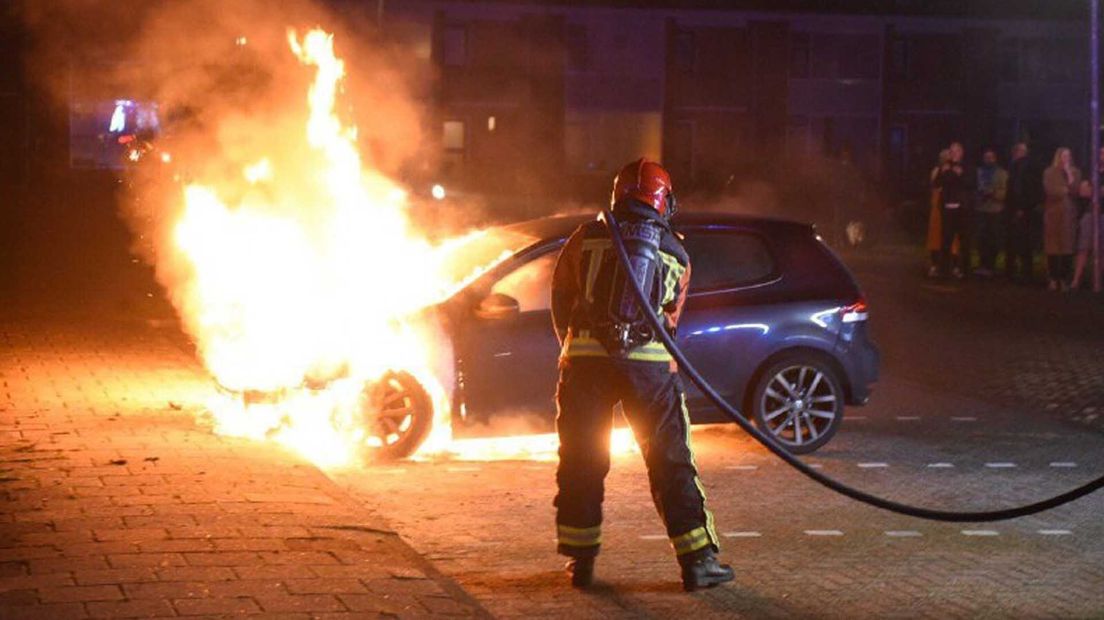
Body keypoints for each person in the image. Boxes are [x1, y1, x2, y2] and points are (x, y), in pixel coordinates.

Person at [550, 158, 732, 591]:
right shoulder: (676, 252)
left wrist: (574, 351)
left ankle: (581, 562)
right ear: (663, 201)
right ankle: (697, 562)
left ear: (618, 197)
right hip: (650, 371)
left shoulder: (585, 239)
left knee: (581, 459)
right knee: (670, 460)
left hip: (586, 366)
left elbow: (561, 300)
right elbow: (672, 322)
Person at [1042, 147, 1080, 291]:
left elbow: (1077, 191)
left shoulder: (1075, 172)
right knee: (1052, 247)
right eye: (1064, 155)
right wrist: (1066, 189)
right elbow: (1050, 190)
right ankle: (1052, 278)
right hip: (1053, 214)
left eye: (1069, 155)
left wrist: (1070, 178)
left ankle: (1064, 278)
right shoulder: (1049, 172)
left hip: (1069, 215)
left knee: (1067, 247)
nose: (1066, 158)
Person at [932, 142, 972, 279]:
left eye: (956, 151)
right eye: (951, 151)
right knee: (946, 241)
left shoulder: (967, 166)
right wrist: (944, 172)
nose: (954, 153)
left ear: (961, 153)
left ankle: (965, 270)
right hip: (947, 208)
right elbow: (936, 183)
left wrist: (960, 174)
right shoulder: (944, 166)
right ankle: (944, 270)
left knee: (964, 241)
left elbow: (971, 183)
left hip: (962, 209)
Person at [1004, 142, 1039, 283]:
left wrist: (1021, 207)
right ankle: (1020, 272)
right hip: (1018, 208)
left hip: (1020, 209)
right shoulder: (1015, 167)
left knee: (1019, 242)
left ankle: (1020, 272)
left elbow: (1021, 189)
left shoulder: (1022, 167)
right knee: (1019, 242)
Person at [1071, 146, 1104, 290]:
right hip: (1090, 213)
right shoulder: (1091, 170)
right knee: (1083, 247)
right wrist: (1095, 191)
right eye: (1101, 152)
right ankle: (1076, 280)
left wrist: (1094, 191)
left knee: (1102, 249)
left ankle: (1098, 280)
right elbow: (1083, 191)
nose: (1102, 155)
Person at [973, 148, 1008, 277]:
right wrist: (979, 195)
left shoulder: (1002, 173)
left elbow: (1005, 191)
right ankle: (982, 264)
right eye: (986, 157)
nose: (988, 159)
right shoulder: (979, 172)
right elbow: (973, 188)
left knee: (993, 238)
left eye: (991, 157)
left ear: (995, 158)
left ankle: (991, 265)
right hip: (981, 209)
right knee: (982, 238)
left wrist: (993, 193)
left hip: (995, 210)